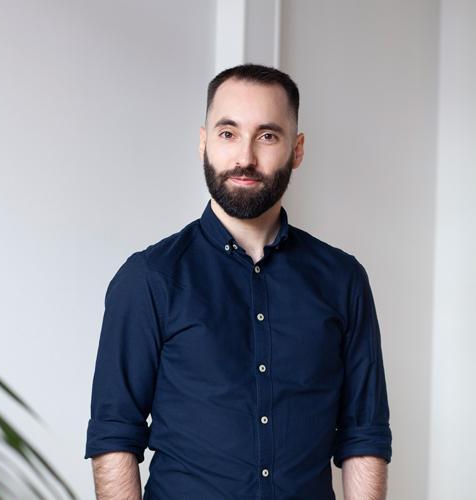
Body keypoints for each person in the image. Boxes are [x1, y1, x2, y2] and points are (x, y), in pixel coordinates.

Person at [84, 63, 392, 500]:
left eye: (267, 136)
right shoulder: (150, 278)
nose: (245, 157)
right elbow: (115, 434)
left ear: (297, 150)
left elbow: (364, 435)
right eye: (228, 133)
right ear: (204, 142)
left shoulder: (343, 280)